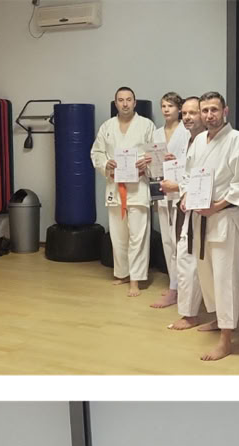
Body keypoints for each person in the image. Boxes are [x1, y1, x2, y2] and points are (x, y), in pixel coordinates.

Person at [178, 92, 239, 362]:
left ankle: (226, 340)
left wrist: (217, 205)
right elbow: (188, 175)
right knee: (206, 274)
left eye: (214, 110)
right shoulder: (198, 141)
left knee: (224, 278)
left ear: (225, 111)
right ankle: (219, 319)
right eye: (205, 110)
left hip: (224, 217)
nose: (209, 115)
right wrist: (186, 196)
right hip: (200, 216)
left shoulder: (237, 140)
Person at [92, 86, 157, 296]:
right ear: (116, 103)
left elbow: (155, 153)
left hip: (138, 186)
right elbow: (97, 152)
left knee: (138, 235)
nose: (125, 103)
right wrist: (106, 164)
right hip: (115, 186)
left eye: (129, 99)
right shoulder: (107, 127)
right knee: (118, 235)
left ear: (135, 103)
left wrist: (146, 163)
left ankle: (136, 279)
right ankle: (122, 273)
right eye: (121, 100)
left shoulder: (146, 125)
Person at [161, 89, 207, 322]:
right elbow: (189, 171)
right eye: (186, 113)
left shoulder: (207, 140)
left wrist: (178, 186)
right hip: (184, 203)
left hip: (204, 208)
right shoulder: (189, 139)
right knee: (183, 255)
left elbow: (204, 177)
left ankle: (193, 313)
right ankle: (187, 307)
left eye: (193, 113)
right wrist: (175, 165)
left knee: (193, 260)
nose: (188, 117)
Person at [150, 92, 188, 312]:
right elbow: (152, 165)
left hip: (179, 188)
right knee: (166, 240)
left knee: (178, 241)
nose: (166, 110)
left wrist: (176, 162)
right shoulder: (156, 133)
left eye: (170, 106)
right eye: (163, 106)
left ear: (179, 109)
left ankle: (181, 286)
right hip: (161, 188)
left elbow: (190, 160)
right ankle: (173, 284)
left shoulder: (186, 131)